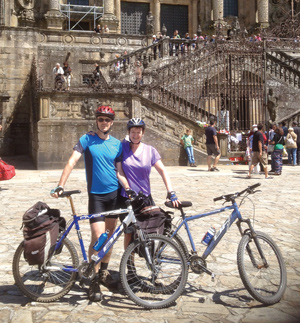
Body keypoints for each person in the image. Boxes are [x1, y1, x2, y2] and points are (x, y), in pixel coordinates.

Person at [50, 106, 131, 295]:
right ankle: (93, 278)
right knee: (98, 237)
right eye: (101, 119)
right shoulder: (87, 139)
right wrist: (61, 184)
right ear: (97, 121)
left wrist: (128, 189)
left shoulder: (117, 145)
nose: (104, 122)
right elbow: (72, 161)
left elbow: (119, 171)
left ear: (112, 123)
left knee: (109, 238)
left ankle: (103, 272)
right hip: (96, 196)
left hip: (114, 195)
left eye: (107, 120)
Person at [119, 118, 180, 248]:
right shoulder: (122, 148)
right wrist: (94, 133)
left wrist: (171, 191)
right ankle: (130, 266)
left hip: (145, 197)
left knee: (149, 231)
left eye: (138, 132)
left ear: (143, 133)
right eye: (133, 132)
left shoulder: (150, 150)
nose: (135, 135)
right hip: (128, 197)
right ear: (128, 133)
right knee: (129, 233)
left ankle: (150, 259)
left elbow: (162, 170)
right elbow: (108, 144)